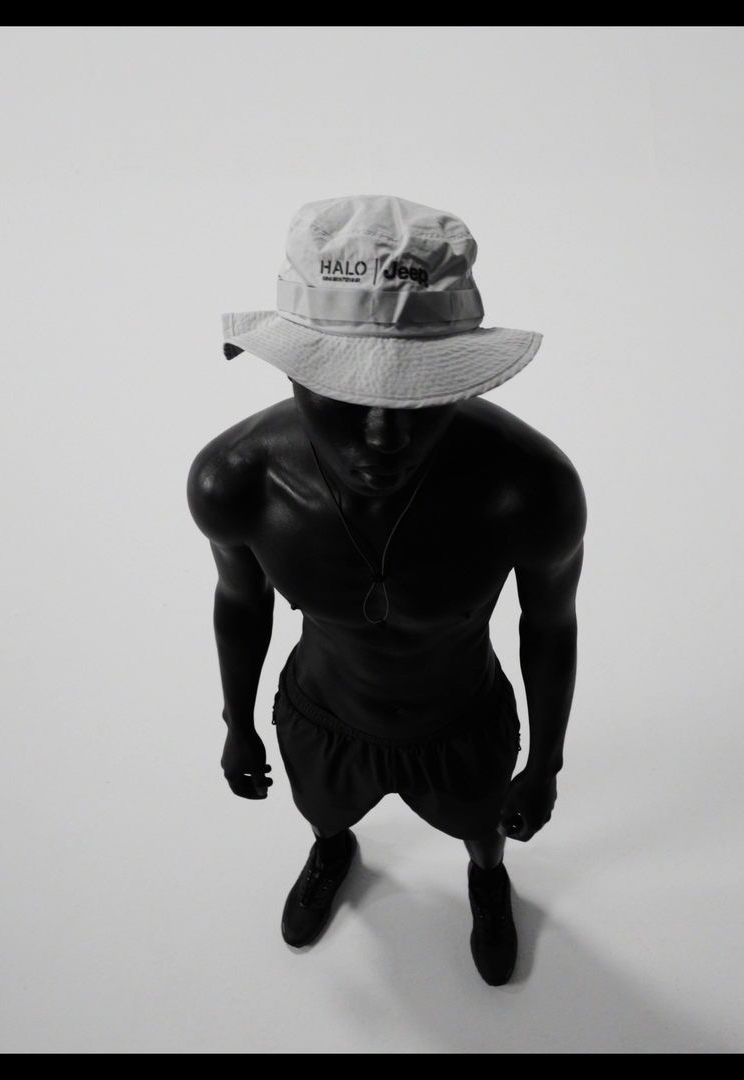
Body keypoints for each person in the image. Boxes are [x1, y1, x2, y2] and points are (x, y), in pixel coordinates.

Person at [187, 195, 584, 986]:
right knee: (323, 814)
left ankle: (487, 878)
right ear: (293, 371)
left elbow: (550, 625)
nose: (384, 434)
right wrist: (238, 724)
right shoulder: (238, 483)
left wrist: (544, 765)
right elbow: (240, 601)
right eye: (344, 390)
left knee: (484, 832)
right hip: (324, 717)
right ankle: (332, 852)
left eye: (419, 393)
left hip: (463, 721)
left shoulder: (527, 491)